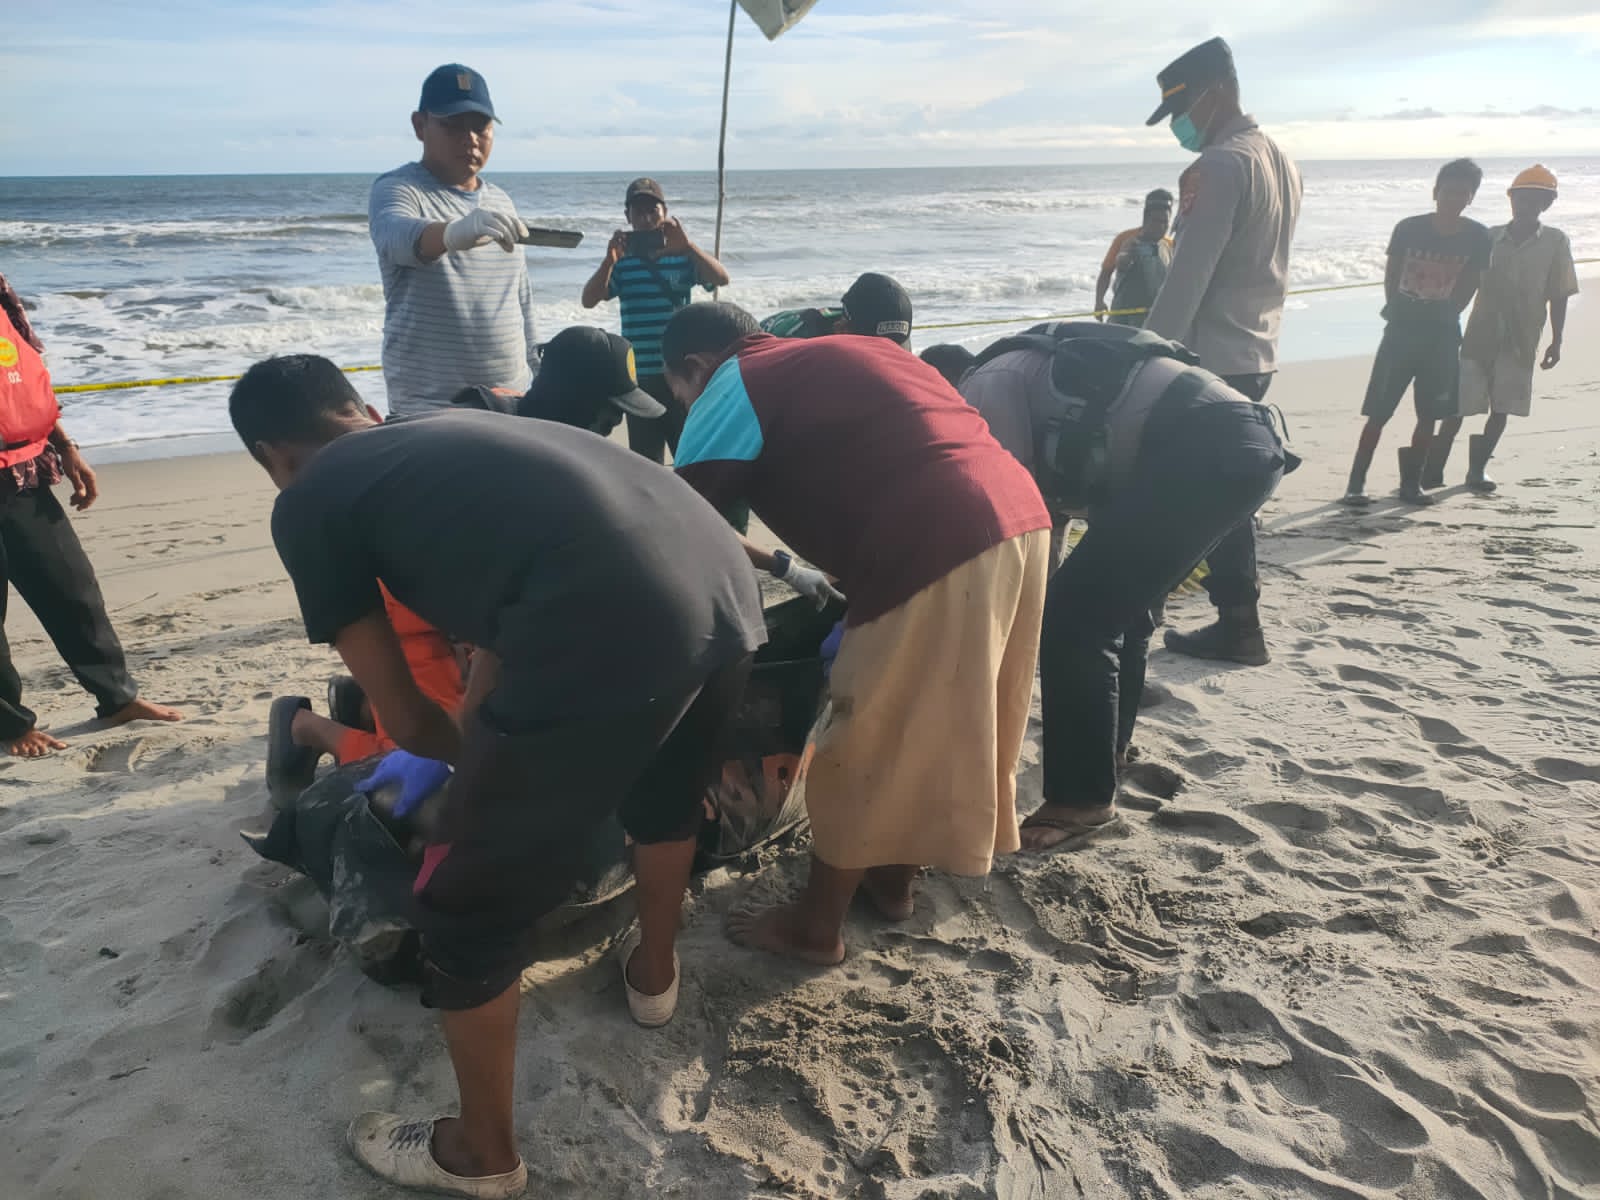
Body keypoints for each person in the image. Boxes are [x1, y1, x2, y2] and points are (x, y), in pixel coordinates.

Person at [229, 355, 764, 1198]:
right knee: (661, 802)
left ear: (272, 455)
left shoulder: (308, 502)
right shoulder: (446, 433)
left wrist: (482, 785)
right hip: (723, 589)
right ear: (360, 407)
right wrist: (498, 741)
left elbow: (404, 719)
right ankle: (653, 976)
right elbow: (502, 617)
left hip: (608, 609)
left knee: (461, 906)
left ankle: (481, 1156)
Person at [661, 302, 1051, 964]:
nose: (686, 408)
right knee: (939, 722)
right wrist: (790, 564)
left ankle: (814, 927)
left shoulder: (732, 383)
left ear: (695, 366)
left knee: (859, 737)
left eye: (679, 394)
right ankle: (892, 880)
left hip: (932, 540)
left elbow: (669, 522)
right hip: (1020, 518)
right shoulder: (840, 351)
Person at [959, 322, 1286, 848]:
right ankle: (1110, 749)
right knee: (1116, 607)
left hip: (1199, 448)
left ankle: (1082, 800)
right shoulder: (1030, 367)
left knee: (1074, 620)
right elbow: (1045, 514)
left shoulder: (984, 385)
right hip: (1238, 439)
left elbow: (1016, 511)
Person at [1141, 36, 1302, 667]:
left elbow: (1188, 277)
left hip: (1203, 361)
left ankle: (1134, 625)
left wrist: (1144, 354)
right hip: (1254, 354)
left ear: (1215, 89)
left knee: (1155, 500)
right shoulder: (1279, 159)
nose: (1179, 126)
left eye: (1182, 110)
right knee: (1228, 496)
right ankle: (1239, 624)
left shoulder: (1219, 165)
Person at [0, 273, 181, 758]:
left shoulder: (1, 291)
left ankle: (117, 699)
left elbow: (26, 384)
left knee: (72, 589)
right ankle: (8, 725)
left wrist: (66, 447)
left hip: (22, 471)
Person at [368, 64, 538, 416]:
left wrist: (537, 376)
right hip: (430, 410)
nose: (470, 138)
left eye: (480, 127)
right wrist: (452, 234)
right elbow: (396, 237)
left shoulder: (501, 201)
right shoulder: (398, 189)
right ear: (420, 125)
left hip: (511, 401)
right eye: (453, 125)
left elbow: (520, 298)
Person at [1340, 159, 1491, 507]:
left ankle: (1412, 483)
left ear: (1471, 198)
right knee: (1379, 410)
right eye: (1448, 191)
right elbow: (1392, 272)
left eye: (1462, 193)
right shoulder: (1408, 228)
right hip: (1402, 330)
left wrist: (1451, 310)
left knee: (1430, 413)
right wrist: (1396, 307)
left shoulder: (1477, 236)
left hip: (1442, 334)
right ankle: (1355, 483)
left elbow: (1472, 280)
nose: (1454, 198)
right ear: (1436, 192)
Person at [1427, 165, 1579, 494]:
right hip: (1478, 334)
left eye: (1535, 199)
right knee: (1457, 405)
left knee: (1502, 406)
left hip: (1522, 339)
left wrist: (1557, 340)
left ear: (1547, 204)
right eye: (1521, 198)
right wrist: (1443, 321)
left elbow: (1559, 293)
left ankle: (1477, 470)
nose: (1526, 205)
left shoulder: (1555, 242)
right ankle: (1432, 470)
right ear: (1511, 199)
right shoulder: (1489, 237)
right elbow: (1463, 282)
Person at [580, 178, 729, 462]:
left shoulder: (682, 257)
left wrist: (689, 247)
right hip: (640, 379)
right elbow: (589, 300)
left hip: (681, 375)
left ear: (665, 212)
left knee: (689, 459)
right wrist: (609, 261)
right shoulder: (622, 263)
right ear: (628, 217)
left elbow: (721, 277)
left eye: (653, 210)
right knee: (647, 465)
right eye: (639, 212)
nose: (647, 219)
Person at [759, 272, 915, 345]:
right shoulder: (797, 340)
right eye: (877, 348)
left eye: (895, 348)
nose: (891, 358)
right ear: (842, 329)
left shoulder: (895, 337)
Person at [1094, 189, 1175, 326]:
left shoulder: (1169, 245)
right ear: (1145, 219)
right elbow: (1108, 270)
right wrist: (1099, 301)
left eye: (1165, 222)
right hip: (1123, 316)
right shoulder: (1127, 240)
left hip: (1154, 316)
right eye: (1156, 222)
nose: (1161, 227)